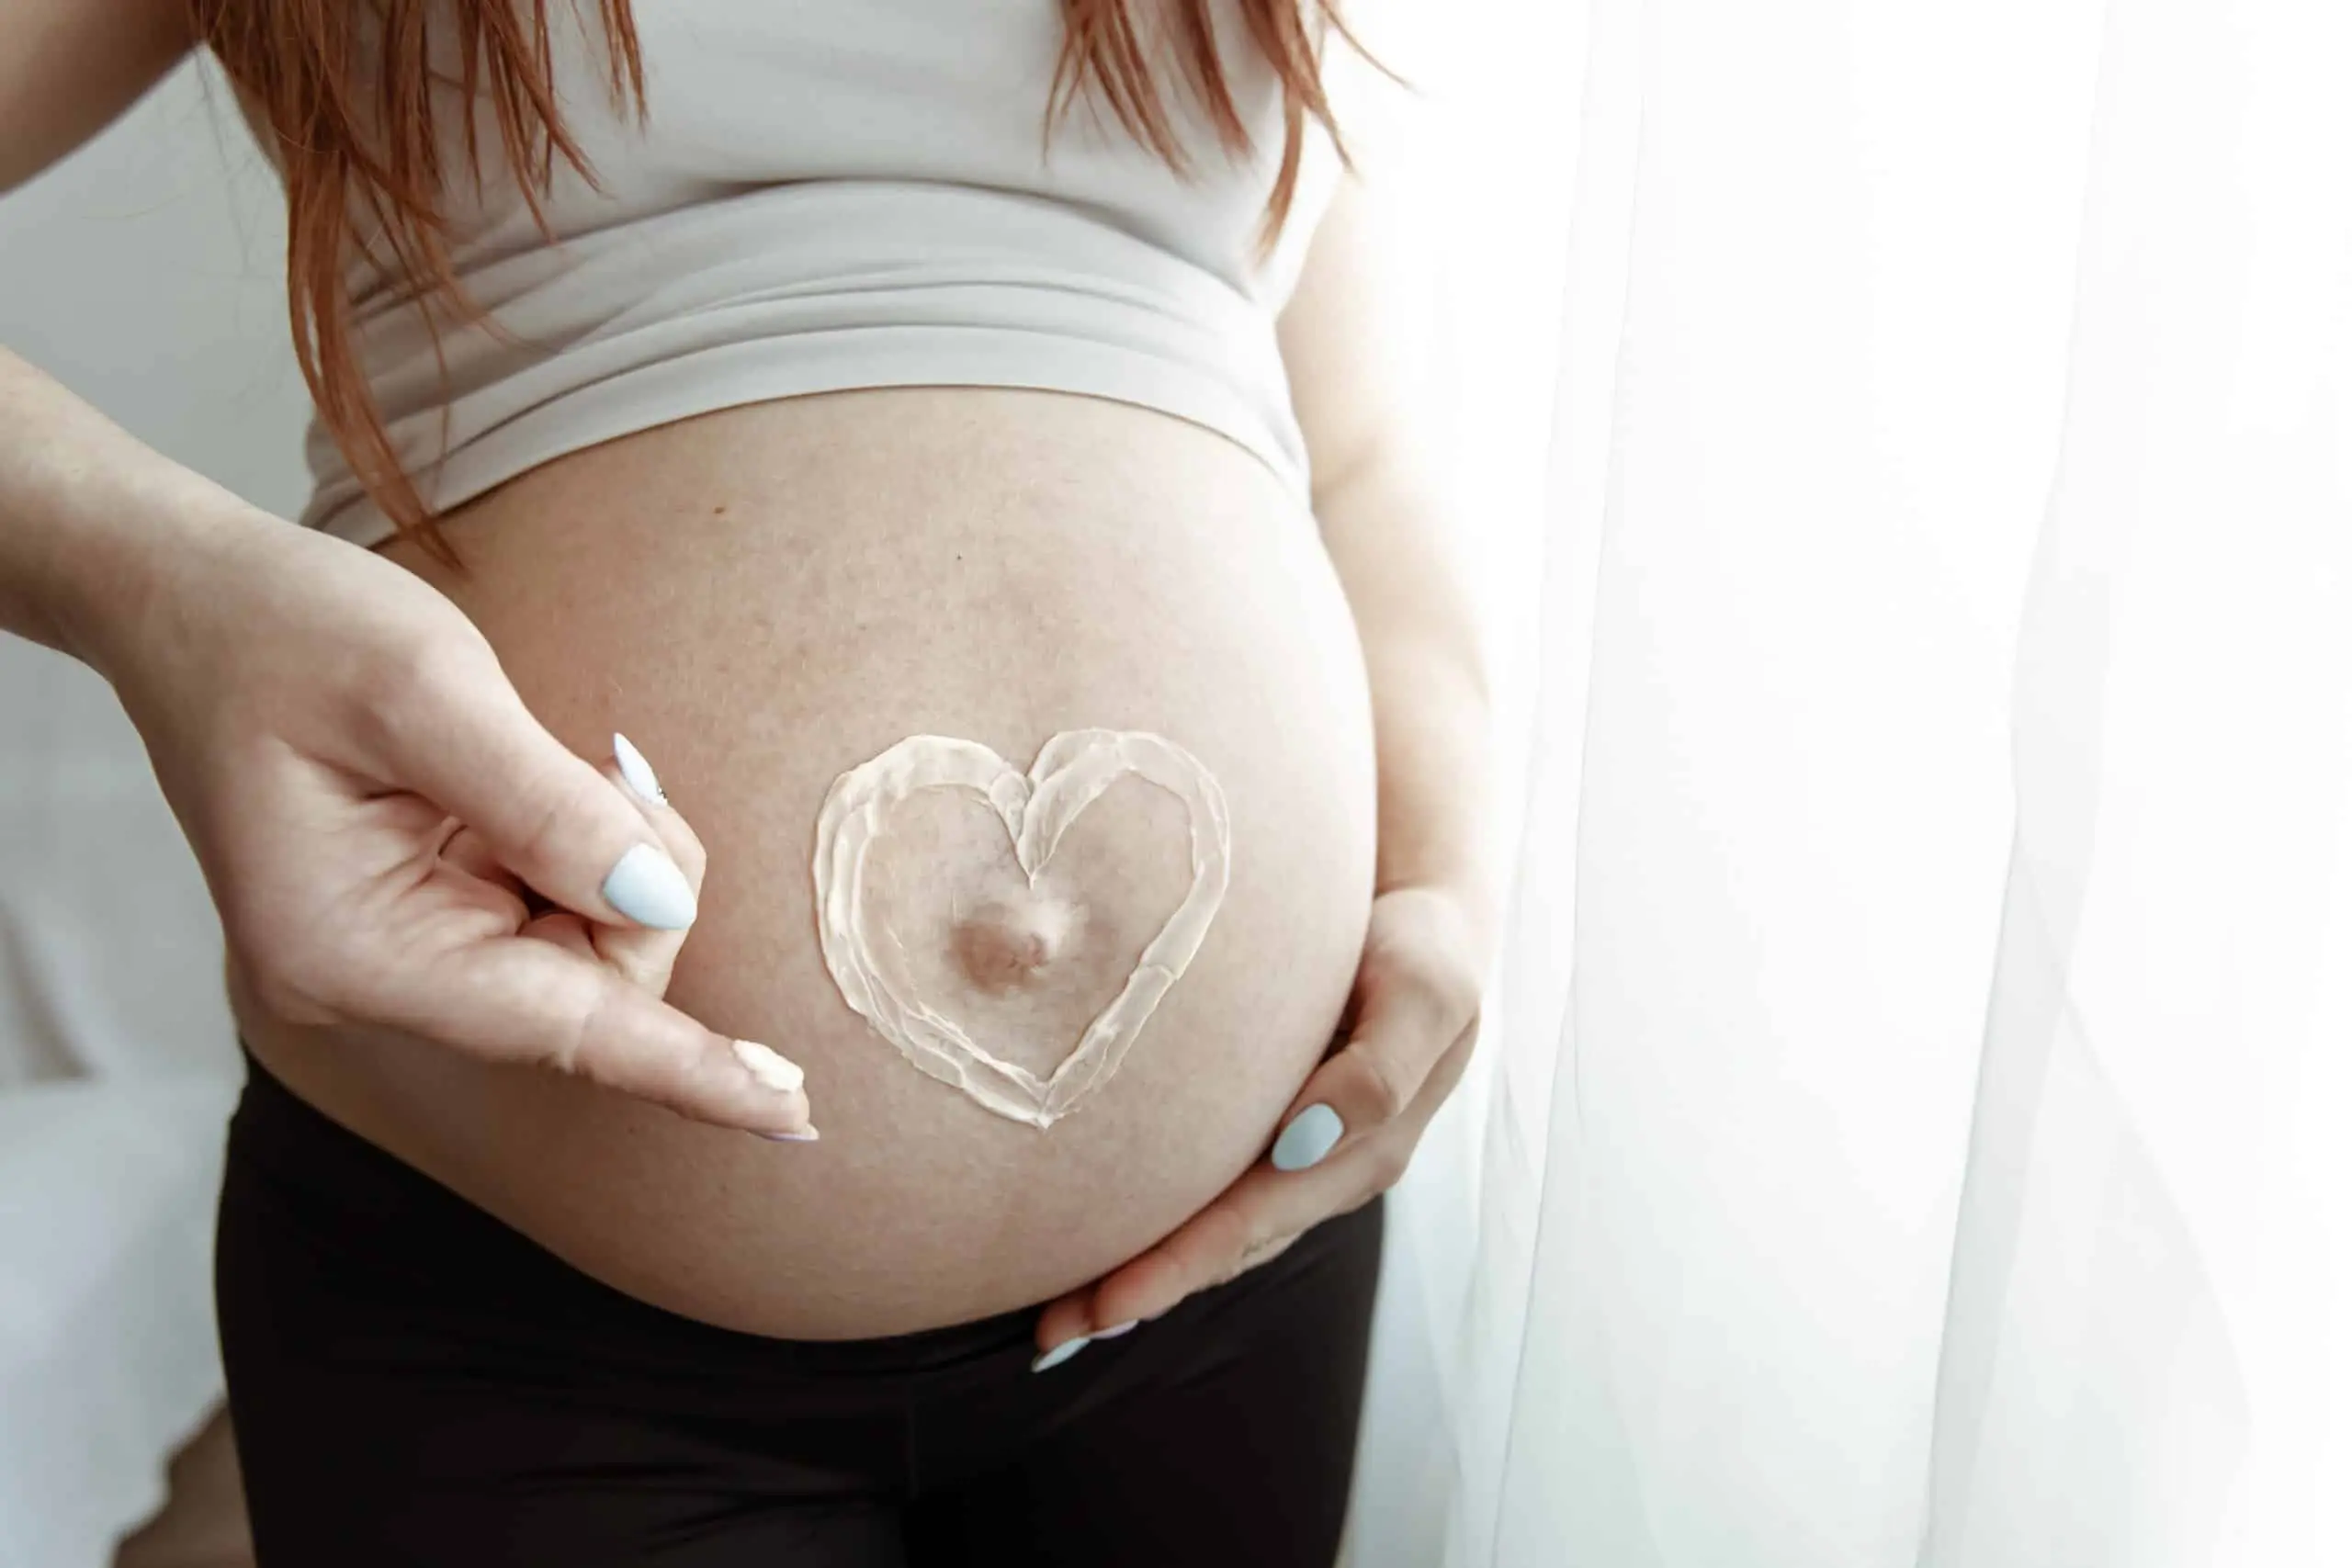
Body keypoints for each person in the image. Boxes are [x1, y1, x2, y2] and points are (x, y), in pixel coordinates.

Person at [0, 2, 1498, 1562]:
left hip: (1229, 1274)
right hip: (536, 1328)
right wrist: (165, 590)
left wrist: (1450, 879)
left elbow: (1361, 449)